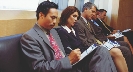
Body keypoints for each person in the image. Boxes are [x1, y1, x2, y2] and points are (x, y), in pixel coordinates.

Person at [20, 1, 116, 72]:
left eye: (56, 18)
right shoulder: (29, 37)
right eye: (52, 18)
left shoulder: (53, 31)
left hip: (70, 65)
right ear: (41, 15)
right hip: (62, 67)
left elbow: (64, 51)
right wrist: (69, 60)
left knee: (101, 50)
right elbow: (39, 67)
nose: (54, 22)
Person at [58, 6, 127, 72]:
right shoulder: (62, 31)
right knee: (102, 50)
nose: (76, 19)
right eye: (74, 16)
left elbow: (81, 45)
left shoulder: (73, 29)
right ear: (66, 15)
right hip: (78, 59)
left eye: (77, 17)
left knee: (103, 50)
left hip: (84, 53)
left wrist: (90, 49)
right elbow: (68, 51)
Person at [75, 2, 131, 72]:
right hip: (92, 49)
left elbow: (96, 36)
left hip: (98, 44)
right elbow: (84, 42)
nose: (94, 14)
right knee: (117, 51)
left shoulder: (88, 22)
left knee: (124, 49)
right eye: (92, 11)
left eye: (95, 12)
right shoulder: (78, 22)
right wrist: (100, 45)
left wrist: (103, 43)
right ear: (86, 9)